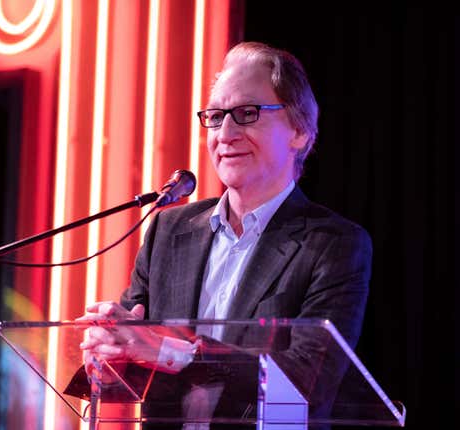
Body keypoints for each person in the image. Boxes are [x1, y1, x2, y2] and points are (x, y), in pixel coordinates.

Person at [70, 41, 372, 429]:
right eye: (215, 116)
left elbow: (305, 382)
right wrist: (110, 360)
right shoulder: (169, 230)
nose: (225, 133)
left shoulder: (334, 244)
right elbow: (133, 359)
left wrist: (169, 351)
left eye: (247, 114)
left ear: (298, 130)